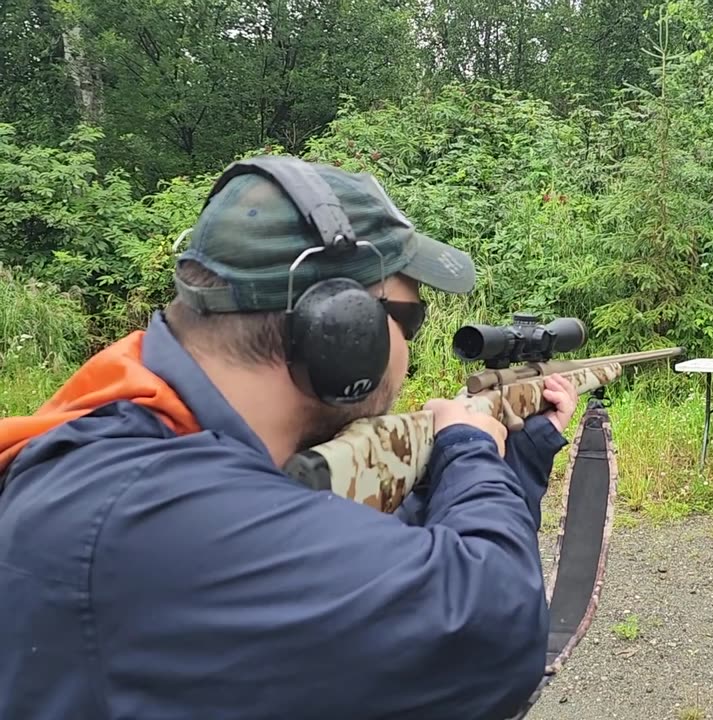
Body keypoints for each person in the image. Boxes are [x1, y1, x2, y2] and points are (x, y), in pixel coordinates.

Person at [0, 156, 578, 719]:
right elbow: (492, 631)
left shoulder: (150, 448)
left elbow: (380, 587)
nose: (410, 346)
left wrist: (513, 460)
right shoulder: (148, 511)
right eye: (411, 319)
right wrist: (470, 449)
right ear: (344, 330)